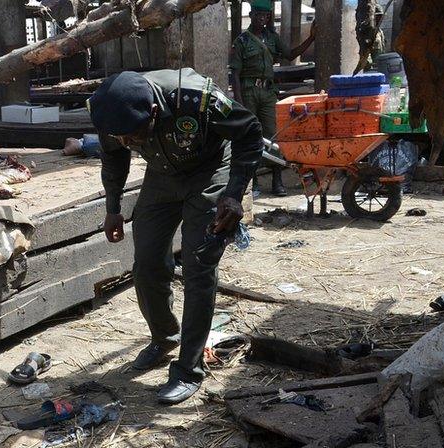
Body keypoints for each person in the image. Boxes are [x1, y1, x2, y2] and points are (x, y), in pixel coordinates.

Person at [88, 69, 263, 404]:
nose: (128, 143)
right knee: (147, 263)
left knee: (199, 265)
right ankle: (165, 336)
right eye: (122, 137)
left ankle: (188, 370)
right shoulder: (108, 109)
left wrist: (234, 193)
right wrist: (113, 207)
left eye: (134, 136)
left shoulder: (198, 99)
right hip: (162, 175)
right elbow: (113, 157)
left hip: (210, 170)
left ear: (154, 112)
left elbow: (250, 131)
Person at [229, 0, 315, 196]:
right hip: (249, 91)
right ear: (251, 16)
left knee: (273, 136)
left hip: (268, 93)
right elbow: (234, 74)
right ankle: (254, 182)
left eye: (266, 16)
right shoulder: (242, 41)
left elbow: (291, 53)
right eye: (259, 15)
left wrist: (311, 38)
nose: (262, 19)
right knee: (250, 136)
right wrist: (240, 103)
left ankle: (277, 181)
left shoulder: (272, 38)